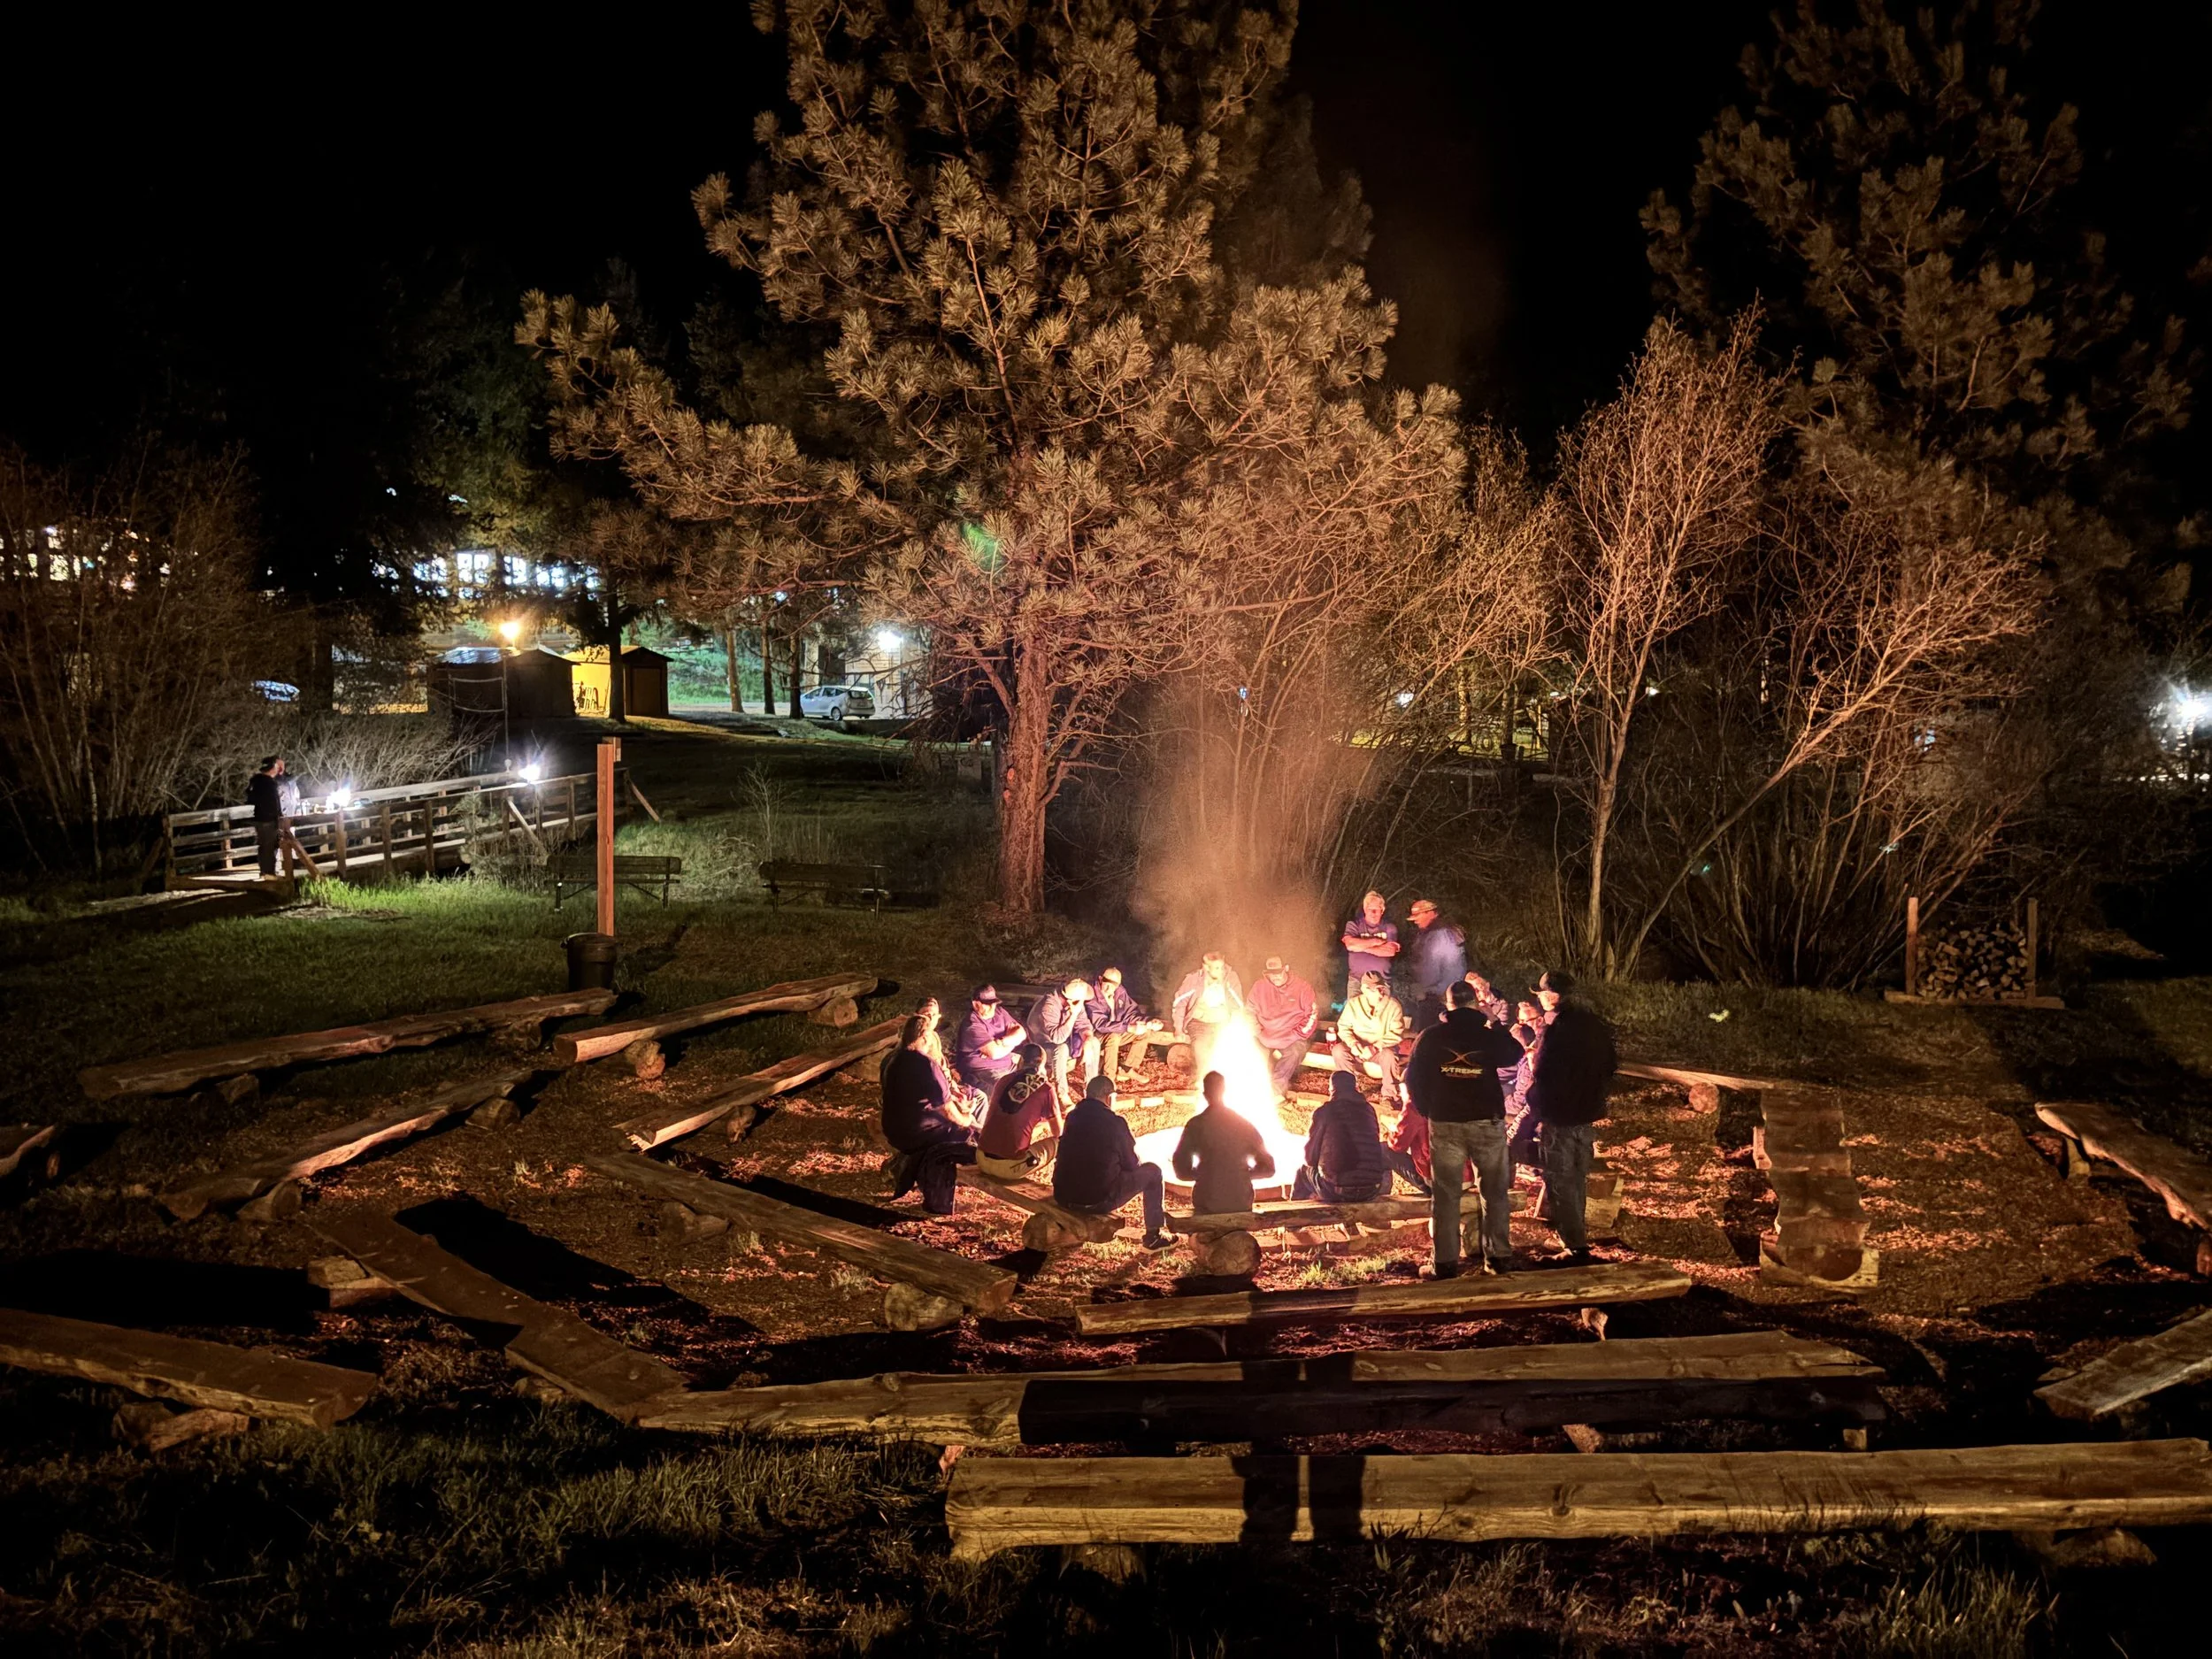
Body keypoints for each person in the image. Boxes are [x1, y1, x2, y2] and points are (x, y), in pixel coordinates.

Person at [1405, 979, 1528, 1279]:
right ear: (1475, 1004)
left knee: (1446, 1196)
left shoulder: (1431, 1037)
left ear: (1448, 1006)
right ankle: (1497, 1259)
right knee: (1494, 1193)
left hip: (1446, 1122)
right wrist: (1494, 1022)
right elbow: (1514, 1052)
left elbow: (1413, 1078)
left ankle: (1445, 1264)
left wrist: (1428, 1110)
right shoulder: (1486, 1036)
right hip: (1486, 1122)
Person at [1525, 970, 1618, 1263]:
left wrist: (1535, 1101)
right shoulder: (1594, 1024)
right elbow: (1610, 1064)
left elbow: (1543, 1072)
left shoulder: (1557, 1027)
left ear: (1553, 996)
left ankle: (1574, 1245)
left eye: (1542, 994)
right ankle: (1577, 1237)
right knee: (1577, 1177)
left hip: (1560, 1115)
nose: (1540, 999)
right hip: (1587, 1114)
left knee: (1561, 1179)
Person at [1054, 1075, 1171, 1249]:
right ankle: (1153, 1236)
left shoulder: (1072, 1117)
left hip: (1064, 1196)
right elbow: (1132, 1164)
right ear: (1109, 1097)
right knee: (1153, 1172)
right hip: (1096, 1200)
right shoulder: (1115, 1123)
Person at [879, 1013, 979, 1215]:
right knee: (965, 1135)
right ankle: (938, 1196)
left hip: (893, 1128)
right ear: (925, 1038)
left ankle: (909, 1166)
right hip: (917, 1132)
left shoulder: (893, 1059)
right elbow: (946, 1108)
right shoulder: (926, 1064)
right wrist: (966, 1120)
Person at [1171, 1070, 1276, 1215]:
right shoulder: (1243, 1124)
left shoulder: (1195, 1125)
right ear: (1224, 1091)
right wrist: (1241, 1174)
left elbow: (1181, 1171)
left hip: (1208, 1204)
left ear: (1205, 1095)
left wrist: (1206, 1173)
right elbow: (1269, 1169)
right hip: (1241, 1203)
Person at [1294, 1069, 1392, 1203]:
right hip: (1371, 1190)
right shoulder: (1369, 1110)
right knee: (1384, 1154)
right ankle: (1381, 1211)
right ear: (1355, 1088)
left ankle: (1293, 1215)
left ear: (1332, 1089)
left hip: (1336, 1190)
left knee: (1303, 1172)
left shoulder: (1325, 1111)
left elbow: (1310, 1158)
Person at [976, 1043, 1064, 1181]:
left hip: (981, 1158)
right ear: (1042, 1064)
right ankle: (1061, 1181)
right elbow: (1058, 1132)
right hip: (1010, 1167)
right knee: (1060, 1142)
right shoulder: (1046, 1089)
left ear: (1021, 1061)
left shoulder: (1003, 1081)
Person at [1332, 971, 1409, 1107]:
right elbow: (1343, 1027)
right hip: (1358, 1049)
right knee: (1339, 1050)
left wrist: (1374, 1048)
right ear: (1364, 990)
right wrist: (1353, 1043)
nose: (1380, 993)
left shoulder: (1392, 1006)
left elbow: (1396, 1033)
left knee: (1389, 1055)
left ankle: (1390, 1096)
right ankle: (1347, 1091)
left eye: (1381, 989)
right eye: (1375, 990)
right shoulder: (1354, 1004)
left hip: (1380, 1050)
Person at [1248, 955, 1318, 1095]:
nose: (1274, 977)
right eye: (1270, 973)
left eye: (1277, 972)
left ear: (1286, 968)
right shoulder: (1259, 986)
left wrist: (1294, 1035)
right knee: (1251, 1049)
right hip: (1264, 1035)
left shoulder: (1302, 987)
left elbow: (1312, 1015)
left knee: (1295, 1052)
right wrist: (1257, 1031)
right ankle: (1255, 1086)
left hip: (1292, 1037)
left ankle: (1275, 1091)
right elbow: (1249, 1011)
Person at [1085, 967, 1161, 1082]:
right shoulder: (1091, 995)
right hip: (1095, 1037)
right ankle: (1109, 1079)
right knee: (1113, 1037)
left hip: (1117, 1031)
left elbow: (1131, 1012)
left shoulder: (1120, 992)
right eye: (1107, 984)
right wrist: (1128, 1027)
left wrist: (1148, 1022)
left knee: (1145, 1032)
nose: (1109, 988)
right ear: (1100, 979)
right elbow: (1100, 1024)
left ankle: (1127, 1069)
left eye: (1114, 986)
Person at [1403, 899, 1469, 1030]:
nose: (1415, 921)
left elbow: (1454, 970)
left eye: (1418, 916)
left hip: (1439, 999)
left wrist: (1432, 991)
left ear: (1431, 913)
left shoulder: (1443, 935)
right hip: (1426, 997)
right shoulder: (1424, 935)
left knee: (1435, 1033)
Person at [1170, 951, 1244, 1066]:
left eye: (1222, 967)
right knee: (1201, 1048)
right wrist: (1178, 1029)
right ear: (1206, 967)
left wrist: (1236, 1023)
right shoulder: (1194, 980)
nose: (1221, 971)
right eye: (1217, 968)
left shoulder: (1230, 978)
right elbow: (1180, 1003)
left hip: (1223, 1022)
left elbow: (1238, 1004)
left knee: (1226, 1050)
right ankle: (1204, 1075)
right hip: (1199, 1023)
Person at [1027, 977, 1094, 1104]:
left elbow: (1084, 1024)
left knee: (1093, 1043)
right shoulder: (1049, 1006)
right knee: (1061, 1049)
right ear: (1071, 1000)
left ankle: (1092, 1089)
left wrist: (1088, 1038)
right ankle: (1062, 1094)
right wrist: (1073, 1014)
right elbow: (1058, 1038)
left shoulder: (1075, 1003)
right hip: (1041, 1047)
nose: (1083, 1002)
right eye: (1081, 1000)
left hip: (1062, 1043)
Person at [954, 985, 1027, 1092]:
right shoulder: (971, 1024)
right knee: (1009, 1091)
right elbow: (995, 1053)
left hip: (1009, 1063)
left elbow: (1022, 1033)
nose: (993, 1007)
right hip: (984, 1070)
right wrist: (1013, 1039)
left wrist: (1001, 1042)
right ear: (976, 1004)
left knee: (1035, 1068)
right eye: (988, 1004)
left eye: (994, 1003)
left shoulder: (1000, 1012)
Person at [1340, 890, 1400, 998]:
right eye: (1370, 909)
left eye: (1376, 910)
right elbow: (1350, 945)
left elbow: (1390, 951)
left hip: (1382, 982)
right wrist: (1375, 942)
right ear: (1364, 909)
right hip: (1357, 981)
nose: (1373, 913)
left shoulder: (1389, 927)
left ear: (1382, 910)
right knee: (1354, 1009)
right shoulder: (1354, 925)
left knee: (1383, 1009)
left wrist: (1361, 946)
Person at [246, 755, 288, 877]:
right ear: (273, 767)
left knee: (265, 846)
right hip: (268, 819)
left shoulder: (257, 781)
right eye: (277, 766)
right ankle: (269, 873)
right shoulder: (268, 783)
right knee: (269, 846)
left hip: (261, 818)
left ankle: (265, 872)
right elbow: (272, 803)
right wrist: (278, 815)